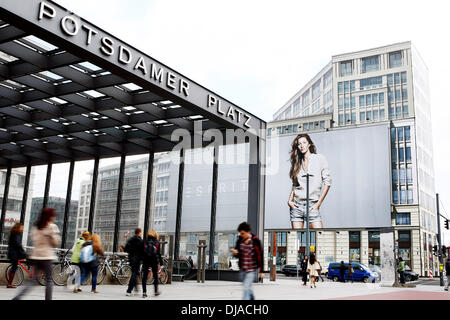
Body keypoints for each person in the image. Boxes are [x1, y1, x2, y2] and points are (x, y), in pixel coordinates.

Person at [13, 208, 61, 300]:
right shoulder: (51, 226)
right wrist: (52, 236)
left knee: (33, 280)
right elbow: (55, 243)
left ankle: (17, 297)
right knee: (49, 280)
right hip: (46, 257)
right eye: (53, 215)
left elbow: (33, 239)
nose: (54, 217)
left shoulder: (36, 226)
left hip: (36, 256)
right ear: (50, 216)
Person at [287, 134, 332, 230]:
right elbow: (295, 185)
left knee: (319, 237)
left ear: (309, 144)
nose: (301, 145)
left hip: (312, 205)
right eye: (299, 144)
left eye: (304, 142)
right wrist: (290, 201)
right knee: (296, 241)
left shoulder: (319, 158)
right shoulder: (297, 162)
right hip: (297, 206)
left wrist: (318, 203)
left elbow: (327, 182)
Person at [232, 222, 264, 300]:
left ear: (248, 232)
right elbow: (237, 254)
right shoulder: (240, 240)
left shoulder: (255, 241)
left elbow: (260, 256)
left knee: (246, 287)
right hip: (242, 270)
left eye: (243, 233)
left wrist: (261, 271)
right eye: (240, 233)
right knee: (248, 288)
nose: (241, 235)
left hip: (251, 270)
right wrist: (235, 253)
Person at [141, 230, 163, 298]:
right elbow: (158, 254)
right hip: (154, 261)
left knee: (144, 276)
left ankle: (144, 292)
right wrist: (161, 263)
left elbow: (142, 252)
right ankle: (156, 291)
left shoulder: (144, 242)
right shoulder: (156, 242)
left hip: (146, 261)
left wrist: (141, 261)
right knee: (155, 276)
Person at [124, 228, 144, 296]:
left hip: (131, 259)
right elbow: (143, 251)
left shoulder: (130, 239)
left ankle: (135, 288)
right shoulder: (140, 240)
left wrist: (131, 252)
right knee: (134, 274)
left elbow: (125, 249)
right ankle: (129, 290)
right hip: (137, 259)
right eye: (141, 232)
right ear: (139, 232)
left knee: (134, 273)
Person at [6, 223, 27, 288]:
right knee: (14, 268)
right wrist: (23, 251)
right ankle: (9, 284)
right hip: (14, 254)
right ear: (18, 227)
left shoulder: (14, 233)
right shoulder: (16, 234)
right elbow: (17, 244)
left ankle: (10, 281)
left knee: (14, 267)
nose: (22, 229)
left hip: (13, 253)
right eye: (21, 227)